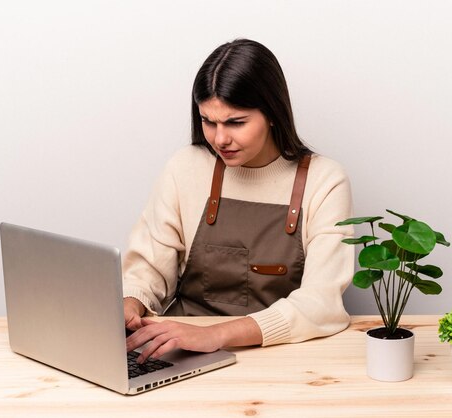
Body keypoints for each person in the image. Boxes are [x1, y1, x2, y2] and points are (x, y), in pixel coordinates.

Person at [123, 38, 354, 363]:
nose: (220, 139)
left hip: (281, 356)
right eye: (208, 121)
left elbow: (322, 302)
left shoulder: (325, 180)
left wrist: (214, 335)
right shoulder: (185, 167)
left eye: (236, 122)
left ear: (272, 113)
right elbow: (147, 269)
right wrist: (131, 302)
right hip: (179, 352)